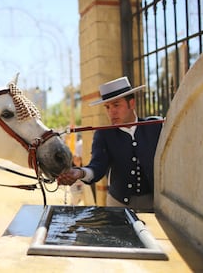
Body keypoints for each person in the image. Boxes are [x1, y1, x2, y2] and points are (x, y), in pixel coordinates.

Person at [57, 77, 163, 212]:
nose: (111, 112)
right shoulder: (104, 135)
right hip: (118, 204)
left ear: (132, 103)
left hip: (152, 204)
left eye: (116, 105)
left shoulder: (154, 127)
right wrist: (80, 173)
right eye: (107, 107)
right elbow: (97, 166)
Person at [69, 134, 83, 205]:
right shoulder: (79, 144)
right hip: (78, 172)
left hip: (83, 171)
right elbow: (76, 157)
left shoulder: (80, 144)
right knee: (75, 198)